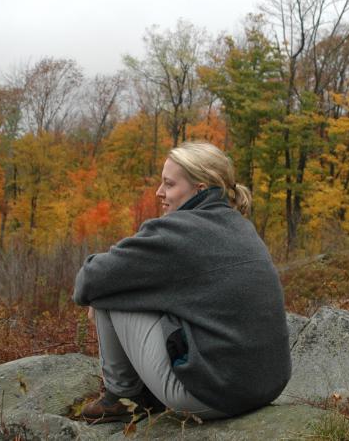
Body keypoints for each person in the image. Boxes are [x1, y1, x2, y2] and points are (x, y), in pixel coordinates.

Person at [73, 141, 291, 423]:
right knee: (125, 286)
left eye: (169, 184)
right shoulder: (240, 226)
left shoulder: (177, 232)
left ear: (199, 189)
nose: (159, 192)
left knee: (106, 292)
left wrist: (102, 297)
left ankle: (123, 397)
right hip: (267, 387)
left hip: (212, 397)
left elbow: (89, 280)